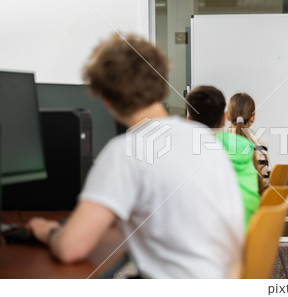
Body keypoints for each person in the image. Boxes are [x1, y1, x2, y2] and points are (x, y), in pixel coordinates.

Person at [26, 34, 245, 278]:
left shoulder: (125, 151)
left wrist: (46, 230)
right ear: (162, 85)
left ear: (107, 101)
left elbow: (70, 248)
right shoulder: (204, 138)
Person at [186, 86, 261, 229]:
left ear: (189, 120)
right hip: (249, 232)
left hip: (213, 237)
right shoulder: (245, 145)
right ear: (223, 118)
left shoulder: (189, 151)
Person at [226, 93, 270, 181]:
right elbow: (263, 181)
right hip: (257, 194)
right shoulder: (262, 143)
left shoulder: (219, 143)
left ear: (227, 116)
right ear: (252, 118)